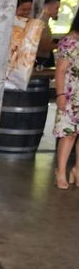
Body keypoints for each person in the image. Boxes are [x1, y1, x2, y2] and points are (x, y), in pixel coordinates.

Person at [53, 10, 79, 189]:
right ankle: (60, 172)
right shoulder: (70, 41)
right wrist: (60, 94)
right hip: (71, 94)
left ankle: (77, 170)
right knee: (68, 134)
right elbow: (60, 71)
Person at [36, 0, 61, 67]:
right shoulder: (41, 23)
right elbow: (44, 48)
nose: (57, 11)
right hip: (41, 61)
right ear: (48, 7)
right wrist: (63, 44)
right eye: (57, 8)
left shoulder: (44, 22)